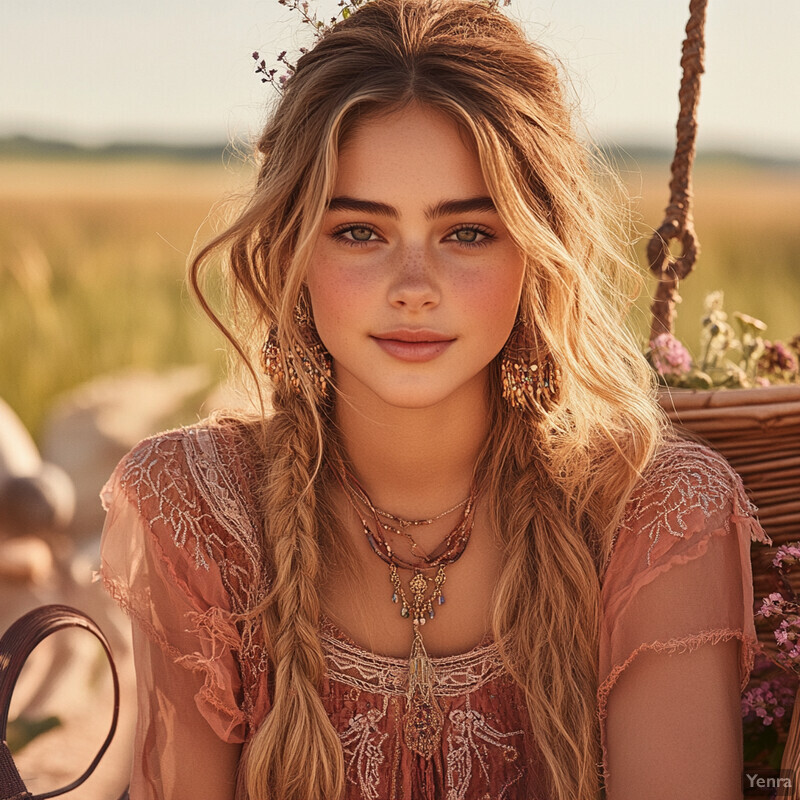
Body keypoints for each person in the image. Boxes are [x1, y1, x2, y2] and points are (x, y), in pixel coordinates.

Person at [99, 0, 768, 797]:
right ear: (291, 250)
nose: (414, 288)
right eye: (360, 232)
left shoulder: (654, 518)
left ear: (537, 251)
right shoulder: (198, 510)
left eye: (467, 233)